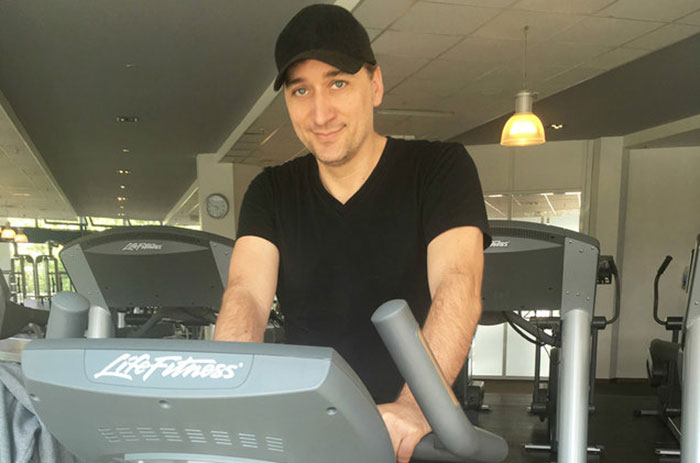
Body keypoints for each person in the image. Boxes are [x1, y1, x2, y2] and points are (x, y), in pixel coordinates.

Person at [214, 4, 491, 462]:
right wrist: (229, 393)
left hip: (416, 434)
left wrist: (415, 407)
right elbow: (246, 295)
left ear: (375, 85)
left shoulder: (440, 169)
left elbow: (458, 284)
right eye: (301, 90)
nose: (320, 113)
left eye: (338, 83)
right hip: (311, 431)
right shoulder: (271, 190)